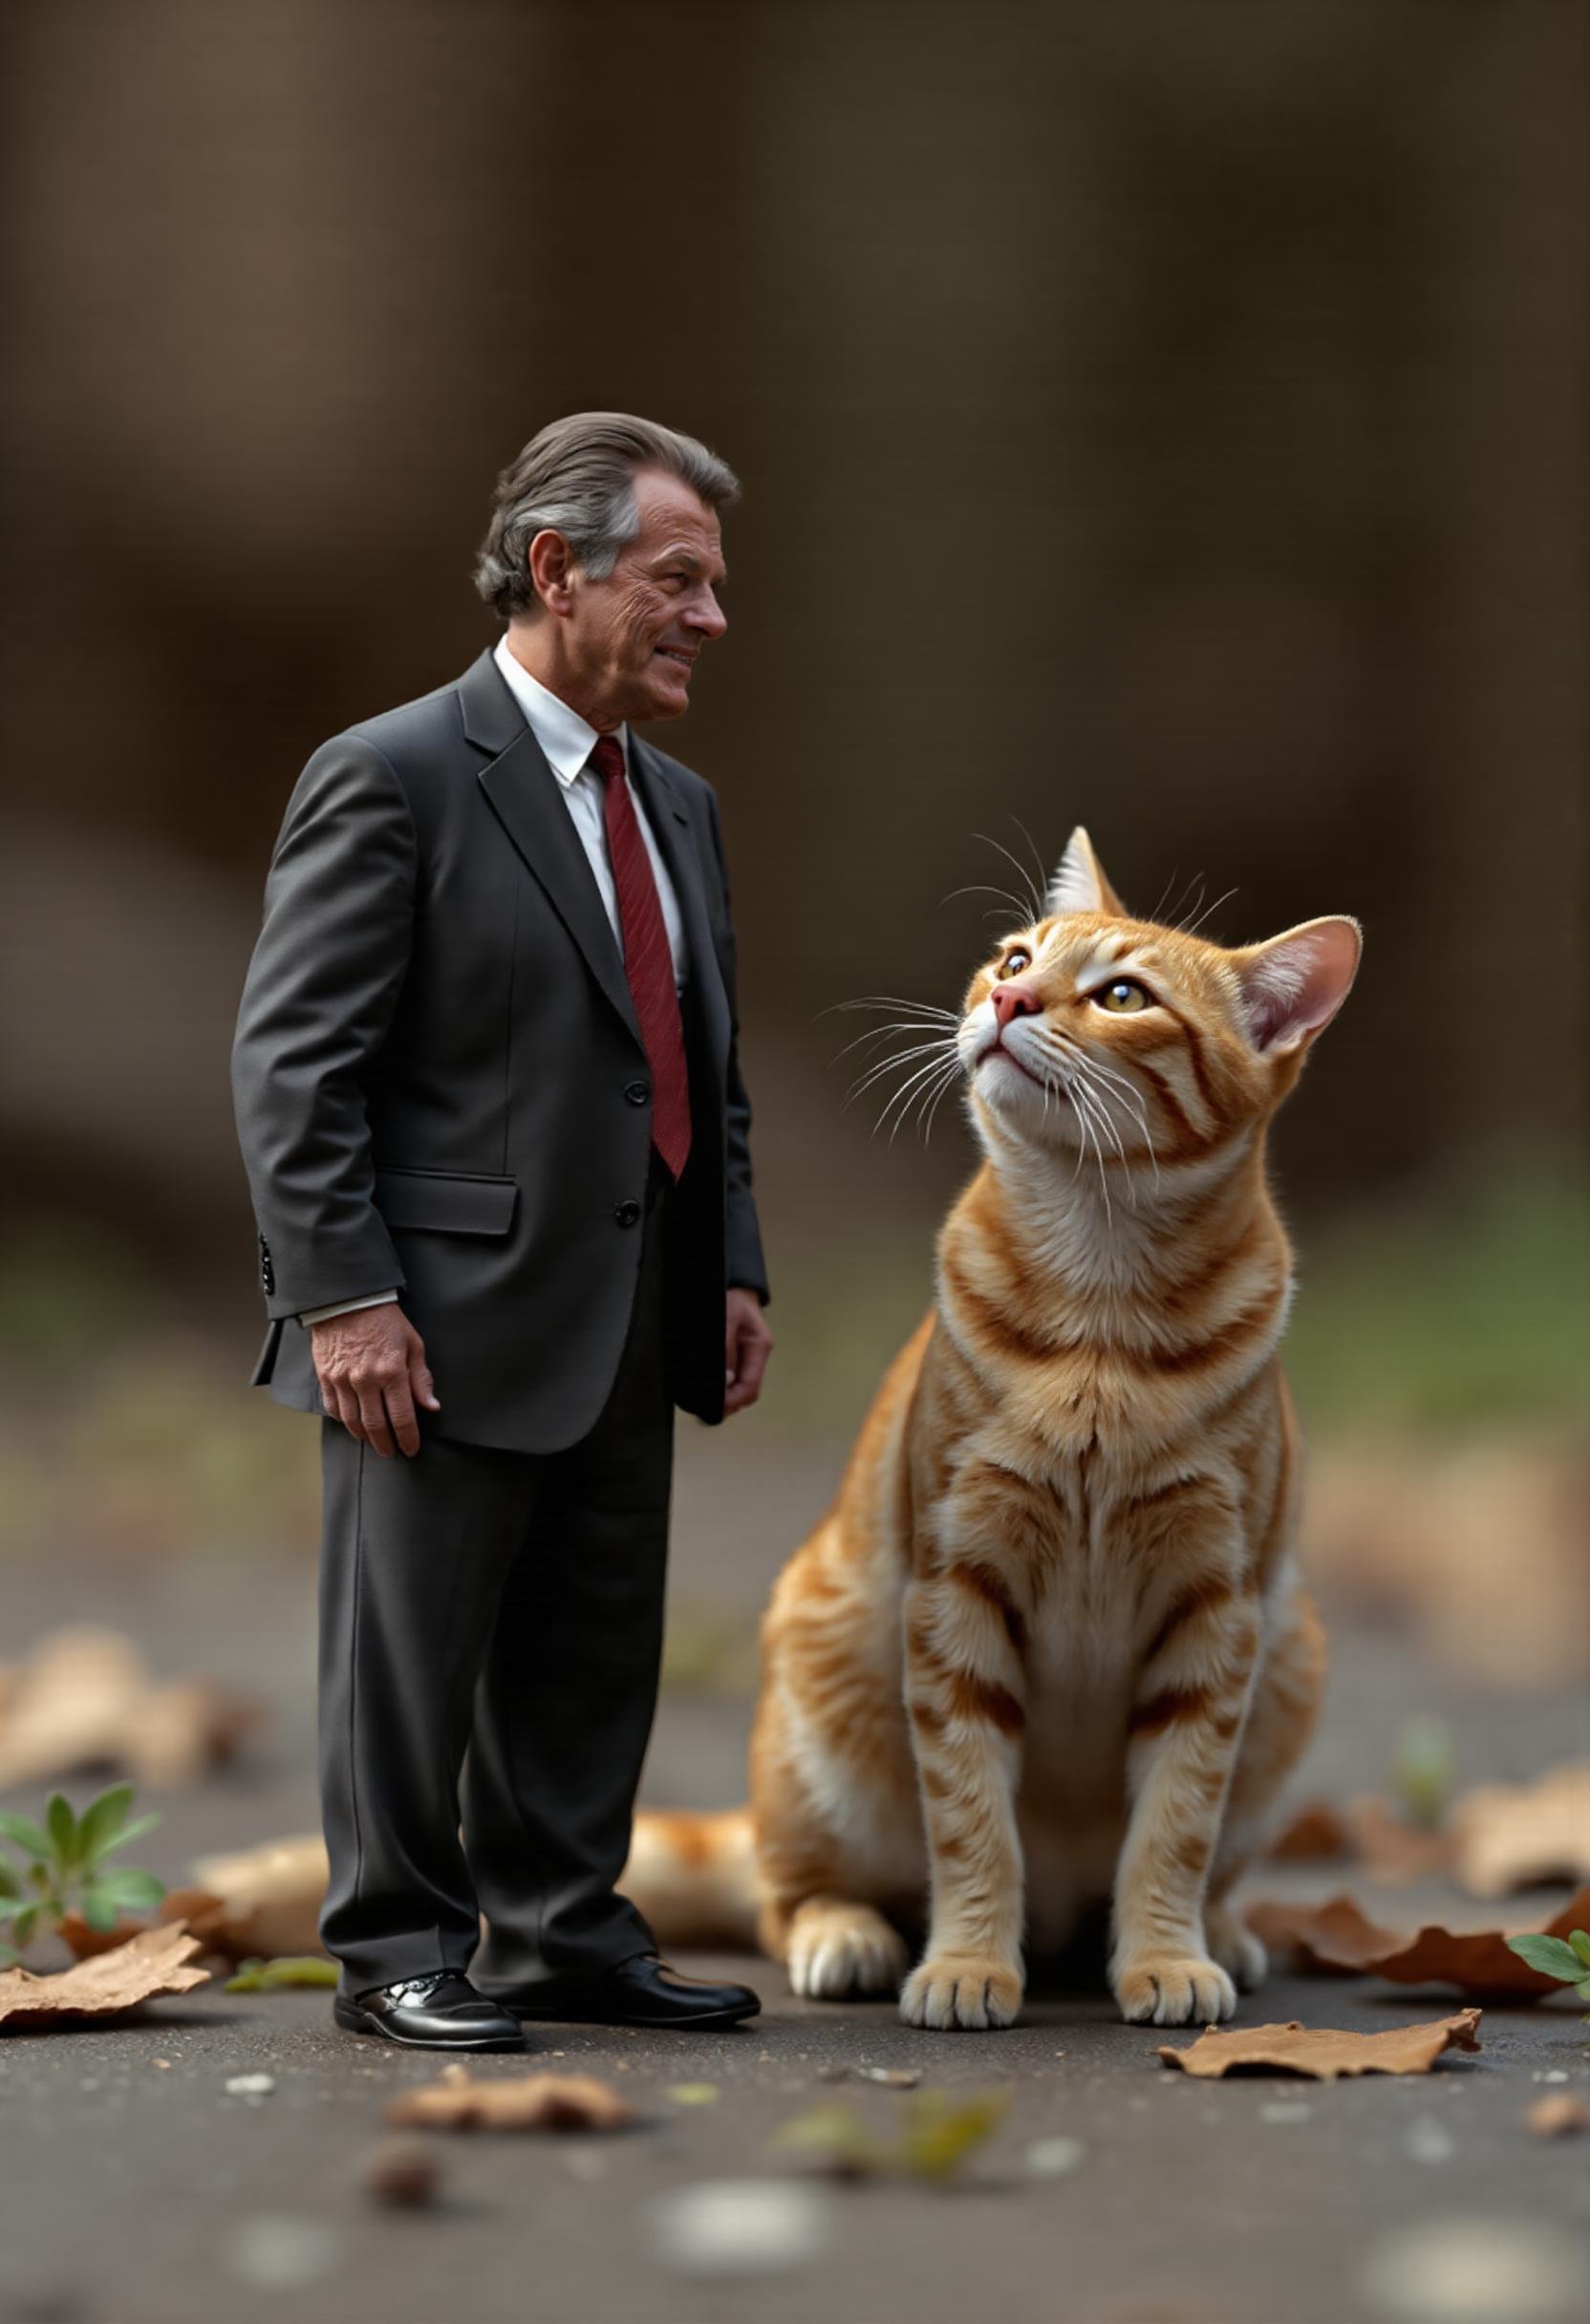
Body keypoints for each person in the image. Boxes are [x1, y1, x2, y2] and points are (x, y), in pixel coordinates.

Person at [231, 413, 773, 2051]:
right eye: (678, 579)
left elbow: (704, 1062)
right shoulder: (394, 774)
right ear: (559, 569)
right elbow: (291, 1063)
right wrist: (344, 1300)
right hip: (432, 1320)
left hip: (629, 1296)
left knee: (594, 1639)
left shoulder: (675, 804)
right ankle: (397, 1944)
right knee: (410, 1656)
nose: (711, 618)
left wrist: (730, 1259)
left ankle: (562, 1929)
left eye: (716, 585)